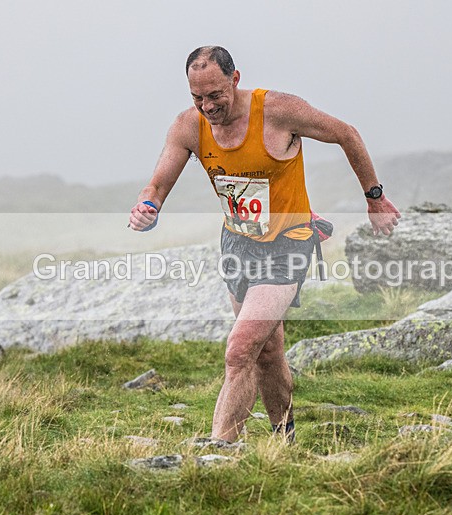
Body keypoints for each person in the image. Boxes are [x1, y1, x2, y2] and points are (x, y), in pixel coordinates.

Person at [128, 46, 400, 443]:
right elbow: (157, 185)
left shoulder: (277, 111)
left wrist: (374, 197)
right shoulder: (189, 126)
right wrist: (147, 207)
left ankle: (220, 447)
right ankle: (284, 440)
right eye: (197, 97)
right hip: (238, 244)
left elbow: (346, 134)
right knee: (267, 350)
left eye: (215, 95)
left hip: (288, 242)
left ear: (235, 80)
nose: (208, 106)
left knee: (240, 348)